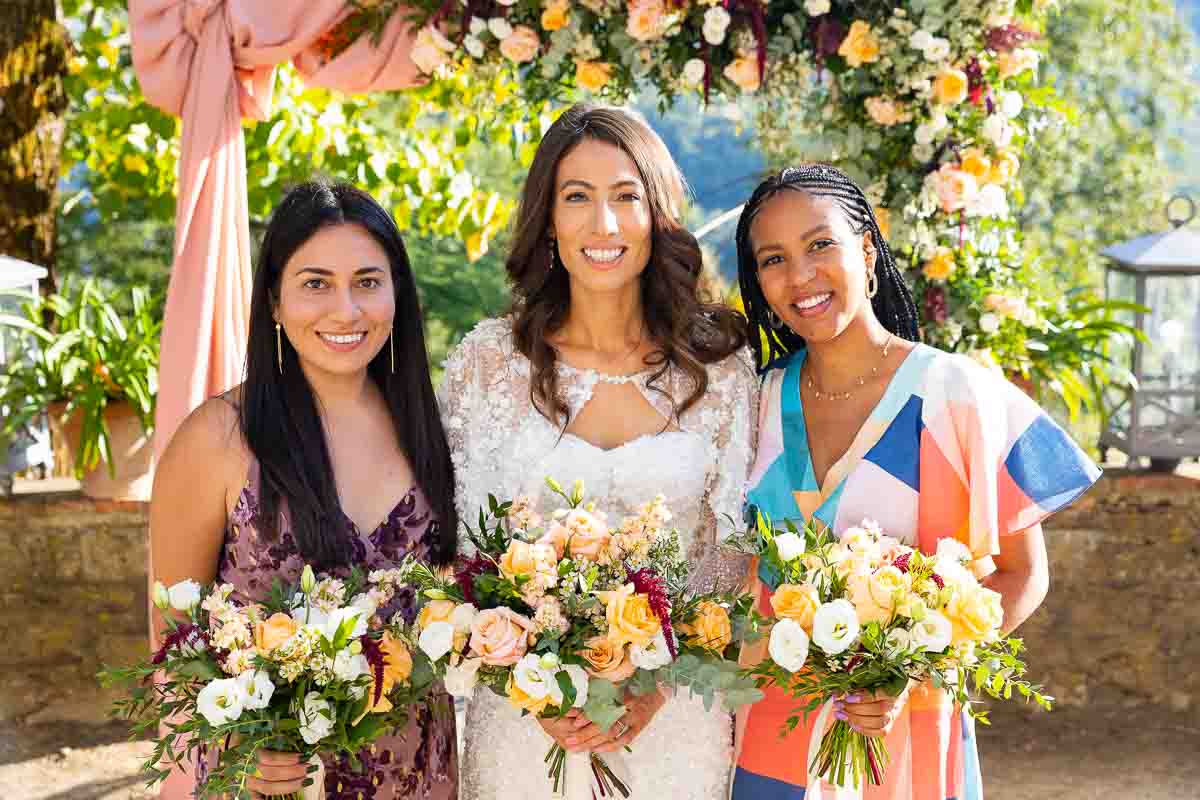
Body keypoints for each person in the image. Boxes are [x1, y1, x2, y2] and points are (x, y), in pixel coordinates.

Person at [731, 164, 1100, 800]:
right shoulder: (755, 402)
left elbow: (1022, 574)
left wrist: (908, 665)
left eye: (821, 244)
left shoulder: (955, 394)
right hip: (768, 731)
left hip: (906, 739)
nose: (800, 277)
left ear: (867, 250)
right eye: (773, 259)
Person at [439, 103, 759, 799]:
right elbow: (460, 556)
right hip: (525, 724)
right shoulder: (486, 365)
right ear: (547, 218)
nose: (603, 225)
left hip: (675, 726)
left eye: (625, 197)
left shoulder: (722, 372)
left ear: (658, 213)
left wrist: (657, 688)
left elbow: (734, 561)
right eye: (576, 197)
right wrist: (530, 677)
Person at [150, 181, 459, 799]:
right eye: (315, 283)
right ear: (273, 300)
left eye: (368, 282)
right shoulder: (217, 438)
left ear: (397, 293)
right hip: (272, 782)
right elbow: (172, 634)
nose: (345, 311)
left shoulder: (436, 431)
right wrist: (237, 741)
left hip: (420, 774)